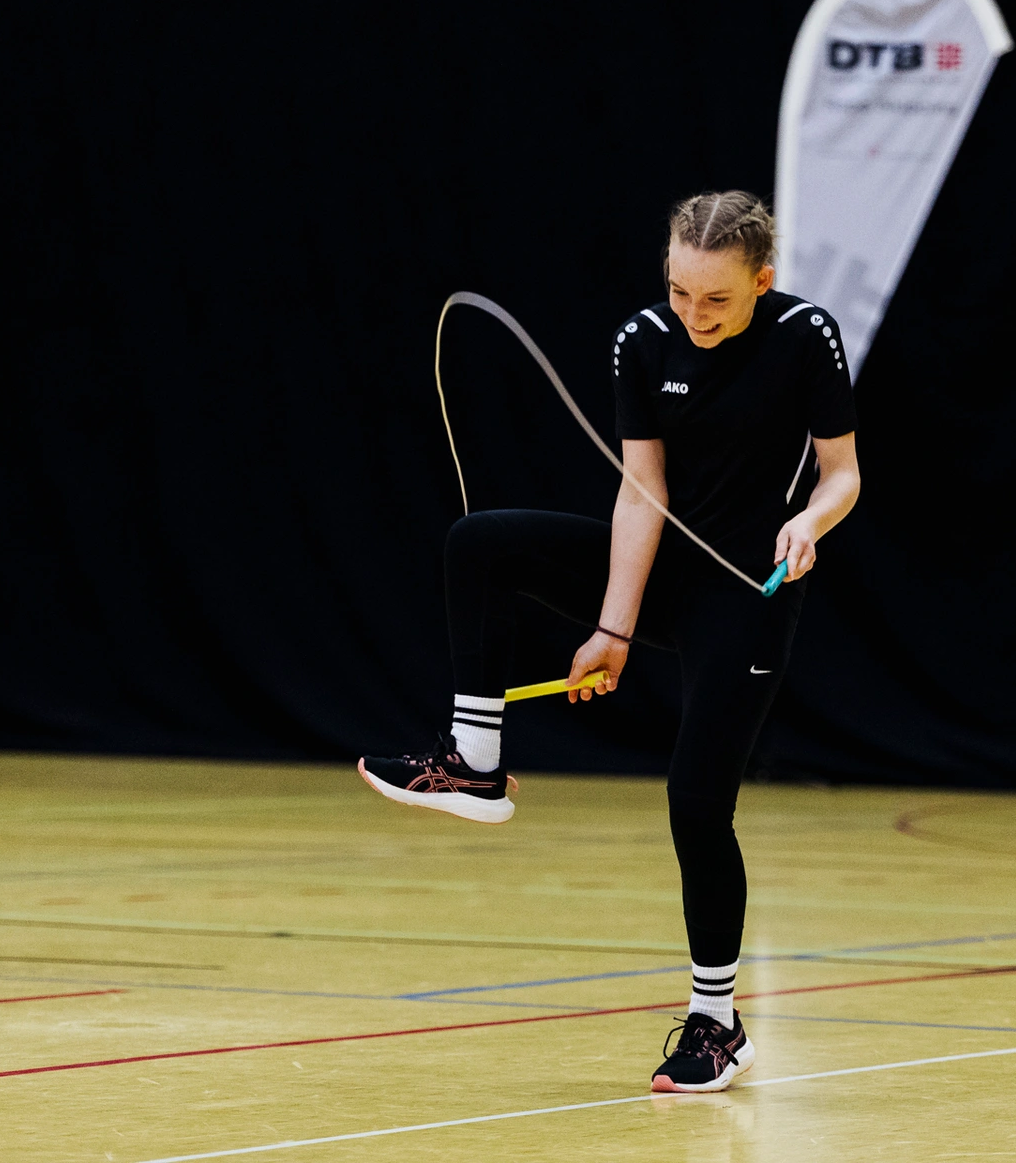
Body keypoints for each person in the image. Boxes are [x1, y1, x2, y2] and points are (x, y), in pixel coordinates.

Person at [359, 190, 861, 1093]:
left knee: (696, 804)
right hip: (665, 576)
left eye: (718, 298)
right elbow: (642, 490)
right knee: (481, 544)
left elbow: (843, 473)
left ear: (762, 282)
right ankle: (475, 760)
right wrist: (613, 628)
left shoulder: (805, 336)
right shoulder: (644, 340)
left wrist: (810, 523)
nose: (695, 314)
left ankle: (716, 1022)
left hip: (749, 594)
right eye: (680, 291)